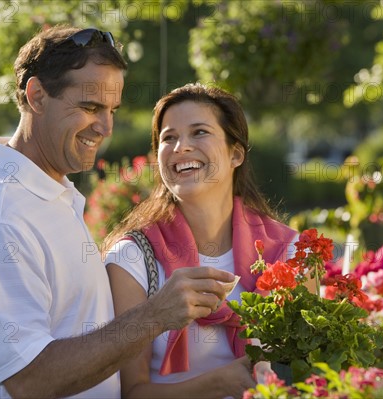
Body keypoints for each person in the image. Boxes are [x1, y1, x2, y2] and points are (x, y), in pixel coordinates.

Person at [0, 26, 235, 399]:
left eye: (111, 110)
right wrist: (154, 315)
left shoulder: (47, 192)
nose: (105, 127)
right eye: (90, 108)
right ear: (37, 96)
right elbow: (31, 379)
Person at [104, 83, 300, 398]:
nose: (181, 146)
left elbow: (312, 376)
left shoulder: (289, 251)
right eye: (168, 137)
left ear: (236, 154)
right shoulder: (132, 259)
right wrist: (221, 383)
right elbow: (131, 393)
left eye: (199, 133)